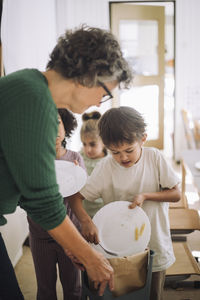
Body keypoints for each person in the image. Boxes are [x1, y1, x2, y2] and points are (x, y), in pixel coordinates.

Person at [0, 25, 133, 299]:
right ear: (88, 76)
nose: (101, 101)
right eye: (105, 92)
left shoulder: (30, 87)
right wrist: (90, 256)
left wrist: (69, 243)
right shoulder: (35, 101)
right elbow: (42, 199)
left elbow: (28, 188)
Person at [68, 106, 181, 300]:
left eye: (129, 150)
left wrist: (145, 196)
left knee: (152, 294)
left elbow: (176, 193)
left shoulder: (154, 157)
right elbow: (75, 198)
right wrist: (85, 221)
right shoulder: (106, 167)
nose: (123, 158)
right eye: (115, 152)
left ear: (142, 139)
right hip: (118, 249)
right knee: (120, 295)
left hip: (155, 245)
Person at [27, 108, 84, 300]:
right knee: (45, 289)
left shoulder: (75, 158)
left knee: (73, 288)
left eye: (57, 123)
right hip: (41, 236)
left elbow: (79, 196)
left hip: (71, 234)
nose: (53, 130)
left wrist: (76, 176)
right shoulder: (33, 161)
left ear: (65, 125)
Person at [80, 111, 107, 218]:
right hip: (84, 212)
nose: (88, 149)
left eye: (92, 144)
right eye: (84, 144)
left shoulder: (110, 161)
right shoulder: (79, 158)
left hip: (103, 211)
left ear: (104, 141)